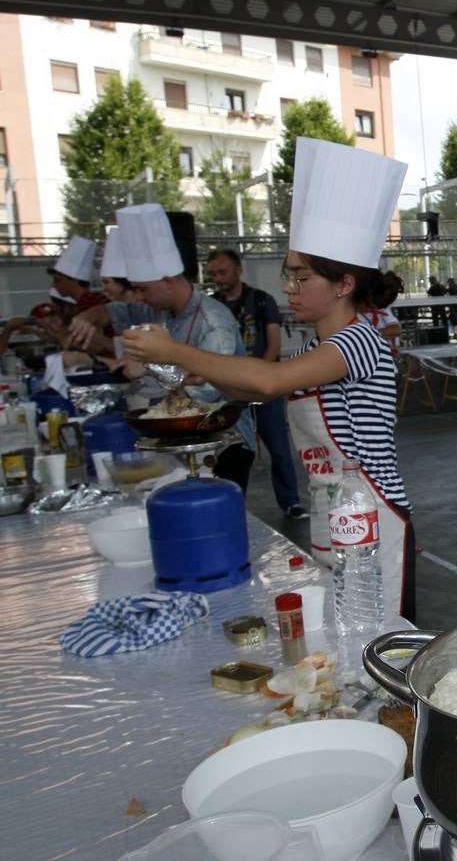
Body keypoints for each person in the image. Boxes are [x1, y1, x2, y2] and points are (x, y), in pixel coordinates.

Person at [125, 138, 417, 622]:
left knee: (377, 642)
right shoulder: (313, 348)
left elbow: (269, 382)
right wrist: (196, 371)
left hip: (373, 512)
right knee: (344, 632)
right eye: (288, 276)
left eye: (302, 278)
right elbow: (248, 386)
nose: (289, 287)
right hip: (330, 507)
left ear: (343, 284)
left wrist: (174, 350)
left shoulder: (360, 341)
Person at [69, 205, 258, 492]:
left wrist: (147, 367)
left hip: (224, 442)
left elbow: (205, 393)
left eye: (144, 289)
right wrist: (88, 317)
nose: (140, 298)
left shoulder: (213, 321)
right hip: (183, 439)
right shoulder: (161, 309)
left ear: (168, 281)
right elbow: (115, 311)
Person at [208, 248, 308, 520]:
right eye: (214, 274)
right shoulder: (210, 308)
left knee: (278, 447)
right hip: (227, 393)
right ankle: (231, 504)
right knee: (230, 451)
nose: (218, 278)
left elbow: (274, 344)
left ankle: (290, 501)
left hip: (264, 390)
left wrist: (258, 379)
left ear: (238, 270)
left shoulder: (262, 302)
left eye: (223, 272)